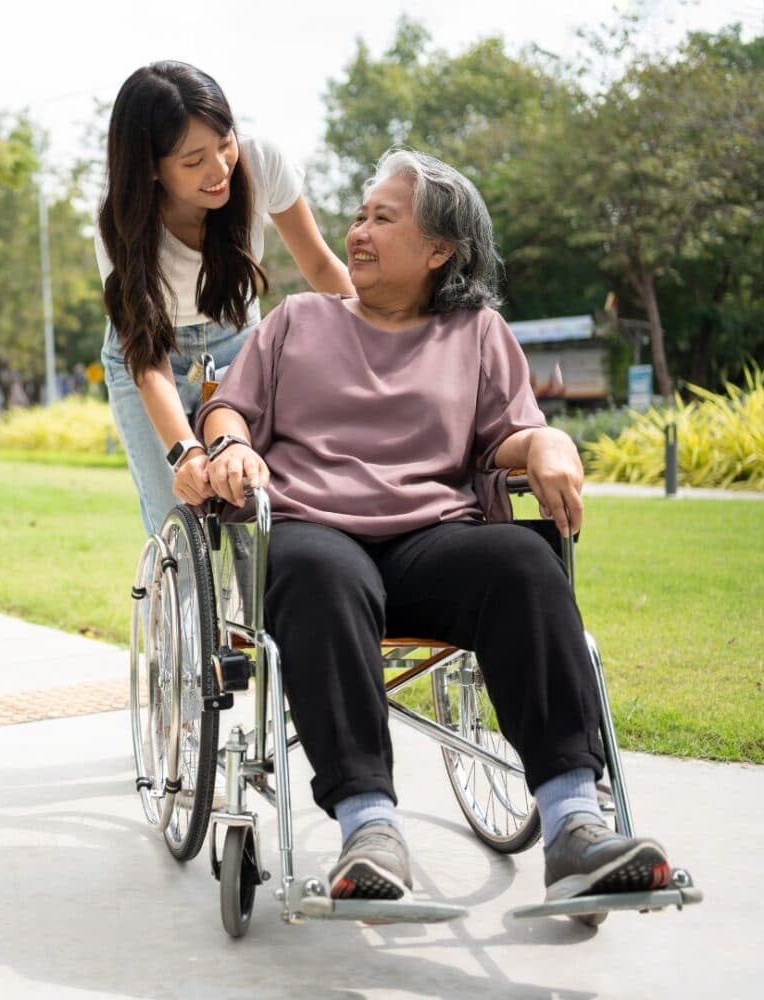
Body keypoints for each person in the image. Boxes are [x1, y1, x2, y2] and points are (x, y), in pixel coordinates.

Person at [196, 149, 672, 903]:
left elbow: (508, 433)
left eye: (382, 218)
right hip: (315, 529)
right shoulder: (298, 320)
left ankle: (575, 827)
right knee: (321, 572)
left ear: (439, 250)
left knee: (524, 562)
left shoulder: (476, 332)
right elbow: (230, 407)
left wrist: (546, 441)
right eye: (359, 216)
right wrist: (229, 446)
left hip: (432, 543)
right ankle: (370, 830)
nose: (357, 232)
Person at [96, 61, 354, 535]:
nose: (219, 170)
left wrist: (380, 344)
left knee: (250, 500)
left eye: (224, 142)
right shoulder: (121, 221)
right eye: (193, 161)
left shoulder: (262, 163)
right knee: (180, 521)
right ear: (151, 167)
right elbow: (147, 357)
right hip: (152, 359)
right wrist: (186, 453)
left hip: (237, 346)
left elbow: (320, 266)